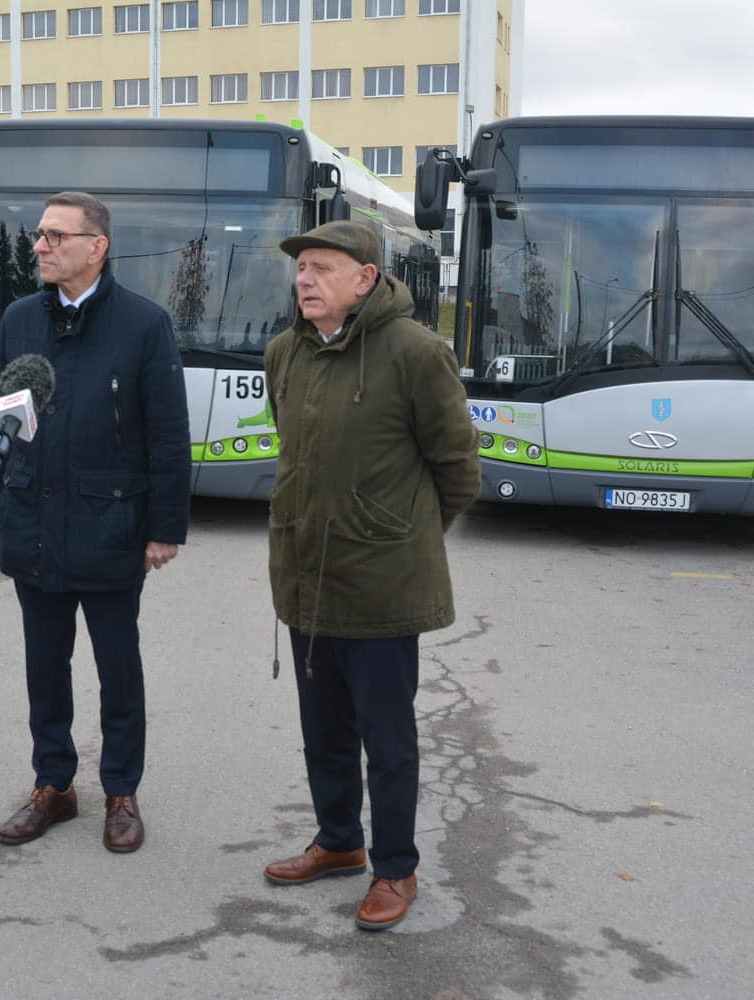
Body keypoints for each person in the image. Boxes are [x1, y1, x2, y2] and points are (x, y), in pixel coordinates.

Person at [262, 220, 481, 931]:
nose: (305, 279)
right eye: (301, 269)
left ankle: (395, 868)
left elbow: (458, 470)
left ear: (365, 278)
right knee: (321, 729)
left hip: (383, 585)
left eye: (322, 268)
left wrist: (402, 538)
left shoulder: (416, 353)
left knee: (387, 742)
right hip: (305, 577)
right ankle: (338, 842)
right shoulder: (283, 353)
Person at [0, 191, 190, 854]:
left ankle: (121, 792)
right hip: (33, 525)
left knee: (117, 671)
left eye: (54, 236)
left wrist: (165, 528)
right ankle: (55, 786)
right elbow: (3, 424)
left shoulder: (143, 324)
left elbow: (167, 433)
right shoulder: (19, 319)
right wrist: (0, 510)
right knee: (44, 669)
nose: (39, 246)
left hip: (111, 528)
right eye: (39, 234)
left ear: (96, 246)